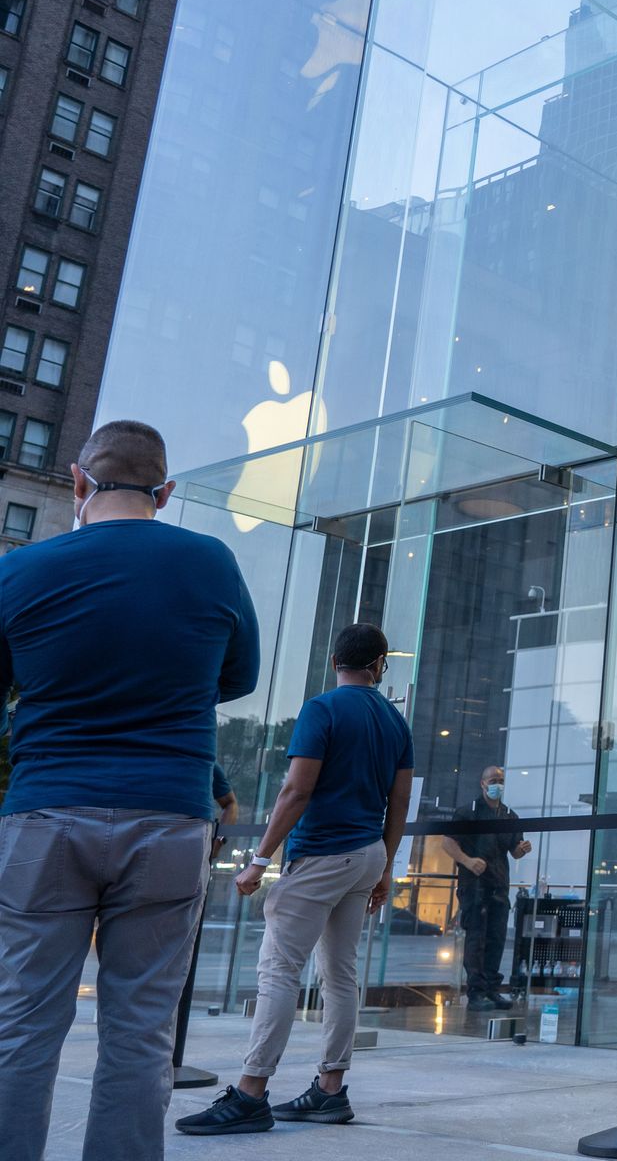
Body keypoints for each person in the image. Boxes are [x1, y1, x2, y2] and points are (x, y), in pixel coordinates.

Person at [0, 421, 260, 1161]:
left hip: (46, 814)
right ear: (166, 493)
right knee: (142, 1033)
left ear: (79, 483)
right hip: (169, 815)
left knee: (22, 1022)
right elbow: (238, 678)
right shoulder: (212, 562)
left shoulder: (21, 571)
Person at [176, 624, 414, 1135]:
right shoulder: (396, 722)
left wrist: (259, 860)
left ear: (334, 660)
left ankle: (250, 1094)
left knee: (279, 971)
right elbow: (400, 803)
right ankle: (330, 1090)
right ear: (379, 666)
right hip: (367, 853)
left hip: (323, 854)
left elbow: (295, 792)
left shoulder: (322, 709)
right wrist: (387, 865)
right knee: (340, 973)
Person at [443, 764, 531, 1009]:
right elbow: (448, 843)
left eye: (500, 780)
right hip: (474, 886)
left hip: (499, 886)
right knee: (476, 938)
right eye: (493, 780)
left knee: (496, 938)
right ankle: (476, 993)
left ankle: (492, 988)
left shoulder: (509, 816)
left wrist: (521, 850)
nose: (497, 785)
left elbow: (514, 851)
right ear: (482, 783)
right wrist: (468, 861)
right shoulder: (467, 813)